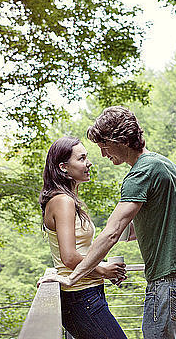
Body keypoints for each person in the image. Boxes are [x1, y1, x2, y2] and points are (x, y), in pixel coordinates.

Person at [41, 107, 176, 339]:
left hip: (167, 282)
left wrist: (72, 277)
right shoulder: (165, 164)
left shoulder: (138, 175)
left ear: (119, 141)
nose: (102, 155)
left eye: (104, 147)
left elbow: (111, 233)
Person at [40, 136, 128, 339]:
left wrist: (103, 271)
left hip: (89, 293)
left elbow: (80, 252)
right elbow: (69, 257)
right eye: (81, 158)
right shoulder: (62, 201)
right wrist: (102, 269)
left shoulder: (68, 200)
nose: (88, 163)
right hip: (80, 297)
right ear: (63, 167)